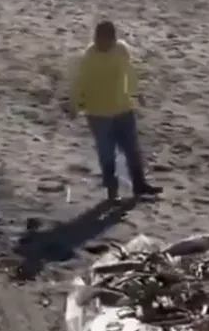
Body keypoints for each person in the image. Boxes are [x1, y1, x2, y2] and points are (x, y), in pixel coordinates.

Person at [69, 21, 162, 202]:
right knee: (107, 153)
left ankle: (140, 185)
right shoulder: (88, 58)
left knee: (132, 149)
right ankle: (112, 191)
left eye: (105, 41)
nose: (101, 44)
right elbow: (78, 84)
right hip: (98, 113)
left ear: (113, 39)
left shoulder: (121, 50)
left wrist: (137, 92)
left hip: (123, 108)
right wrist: (75, 106)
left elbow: (130, 72)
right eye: (98, 40)